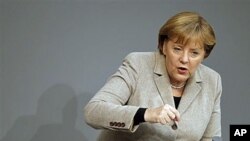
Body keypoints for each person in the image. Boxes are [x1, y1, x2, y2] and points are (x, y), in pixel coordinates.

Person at [84, 11, 222, 141]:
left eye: (194, 53)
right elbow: (93, 111)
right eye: (177, 49)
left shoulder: (212, 81)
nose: (185, 59)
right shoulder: (138, 65)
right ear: (163, 46)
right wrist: (146, 114)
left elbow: (209, 138)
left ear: (204, 55)